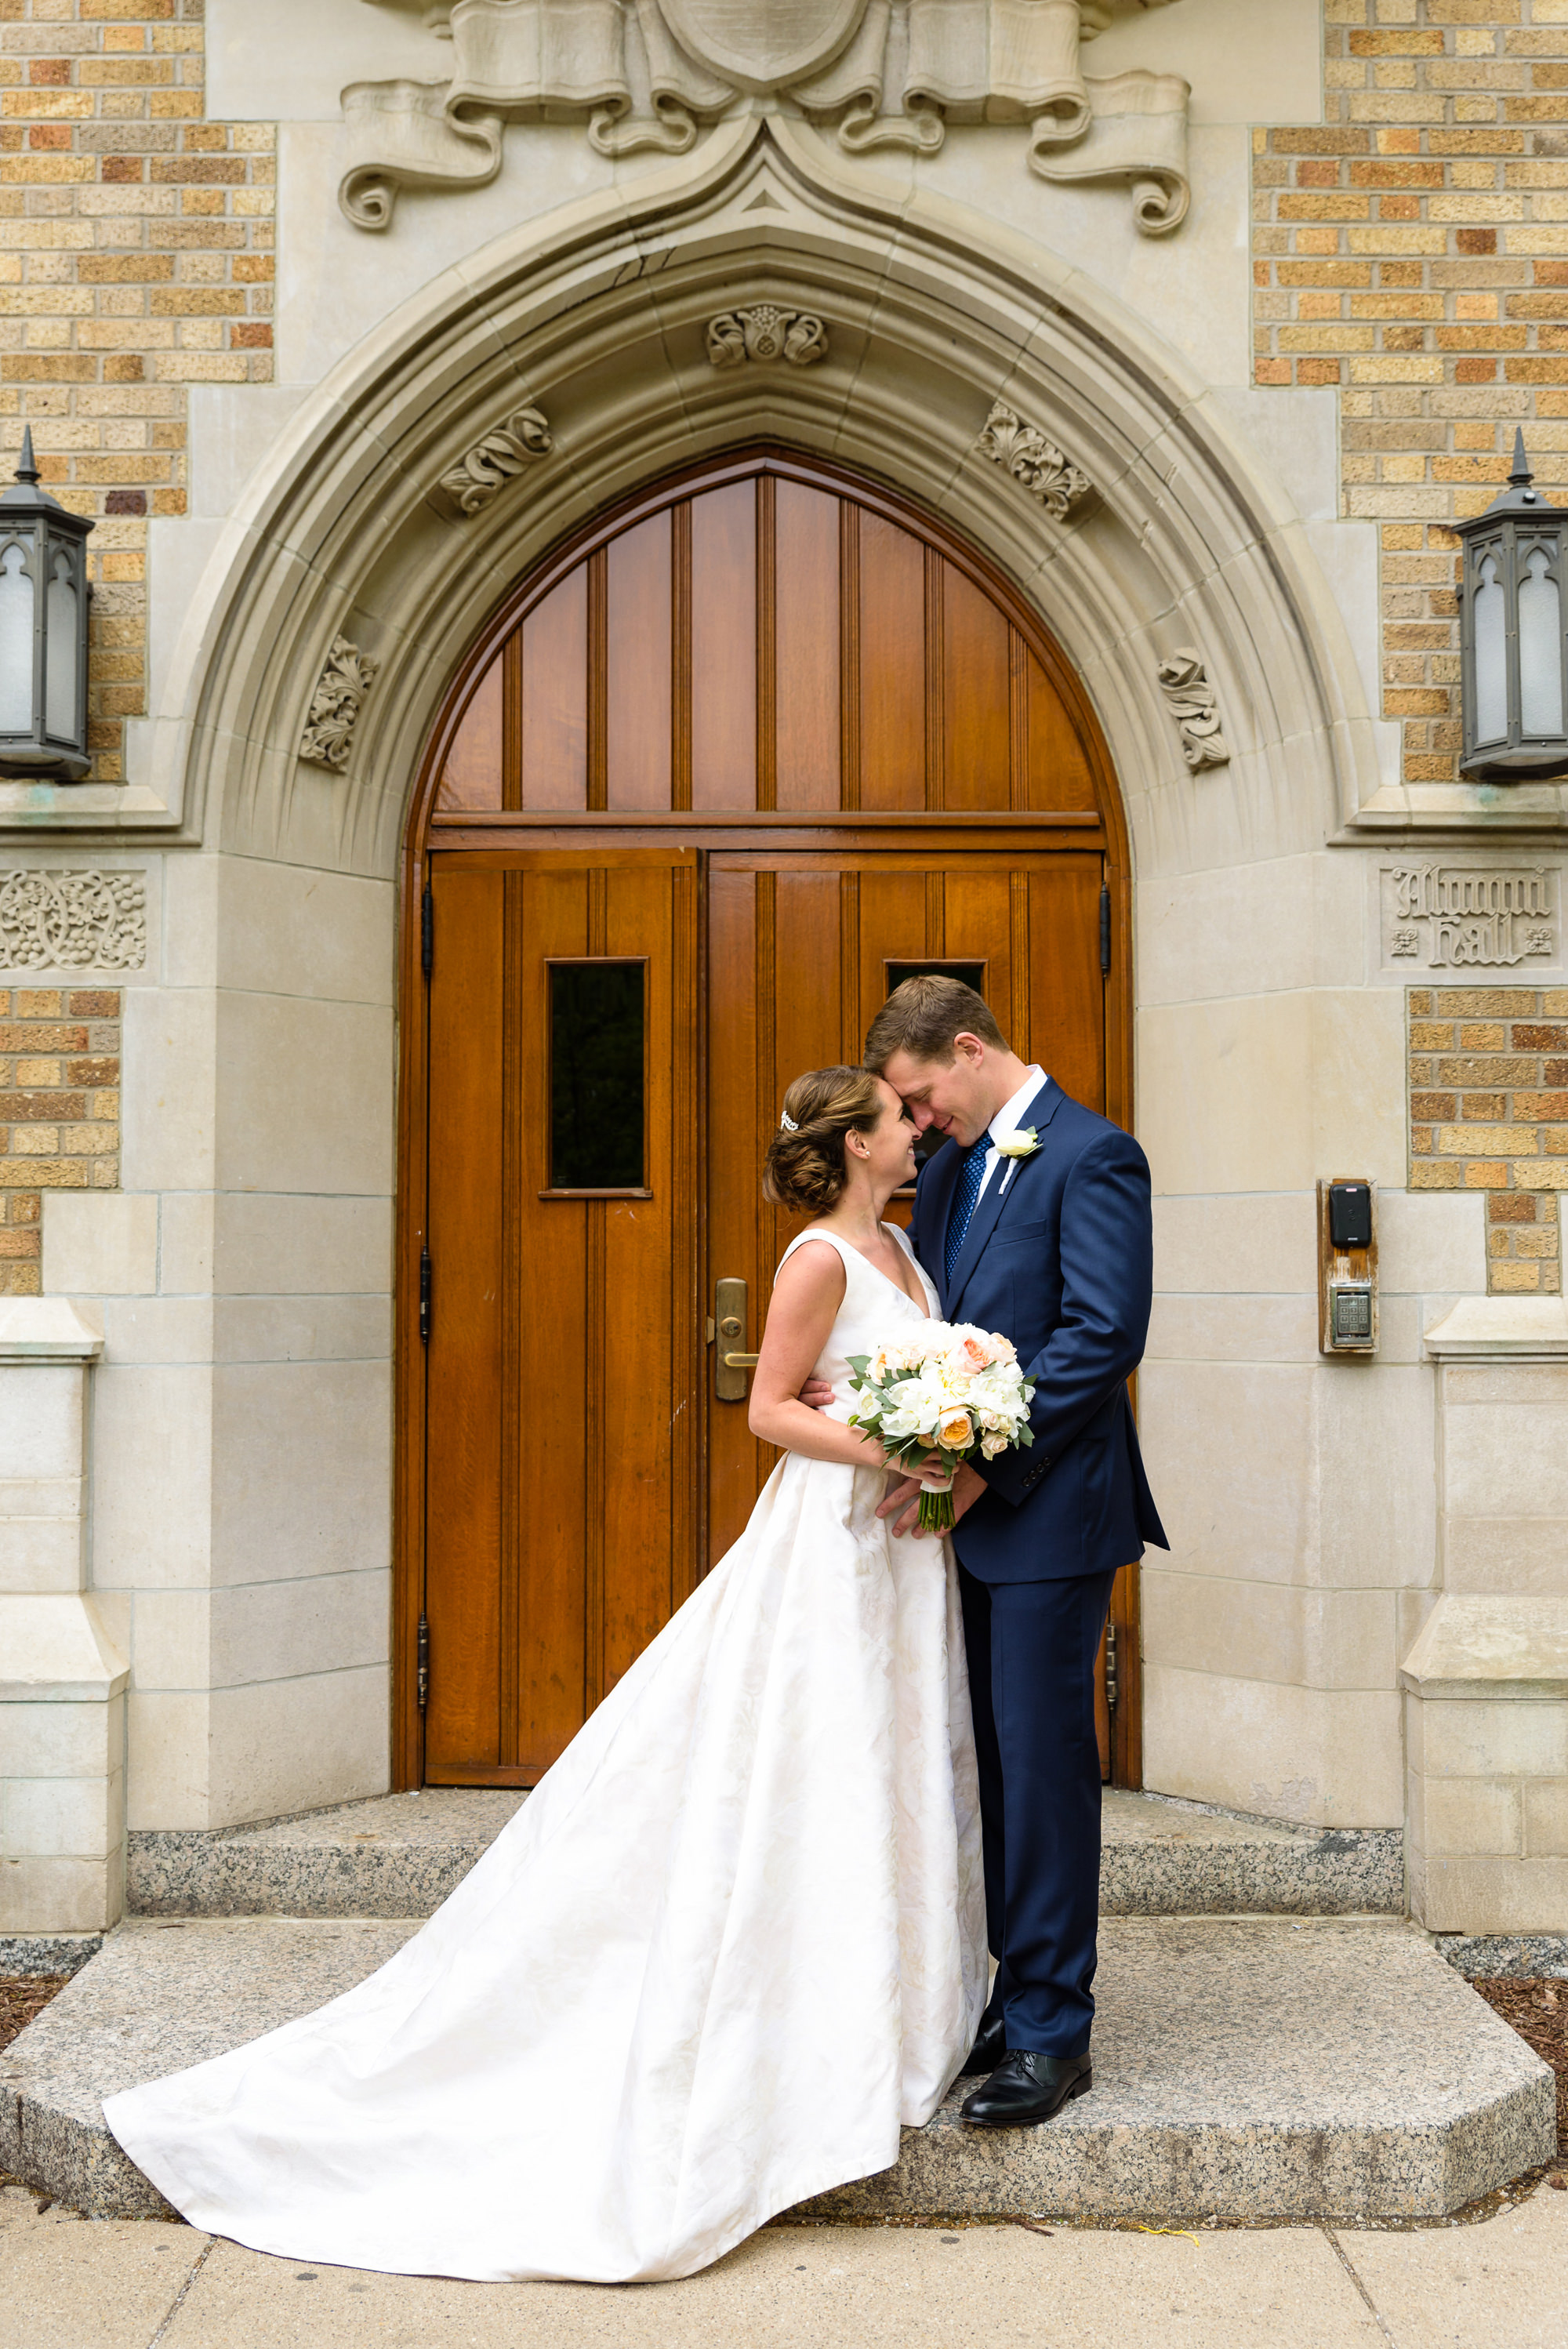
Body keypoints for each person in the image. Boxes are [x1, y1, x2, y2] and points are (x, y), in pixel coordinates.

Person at [104, 1066, 985, 2285]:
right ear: (851, 1146)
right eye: (898, 1120)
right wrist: (905, 1446)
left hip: (898, 1554)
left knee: (891, 1757)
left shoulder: (903, 1249)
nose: (916, 1130)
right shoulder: (816, 1264)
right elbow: (771, 1411)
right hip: (828, 1548)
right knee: (815, 1760)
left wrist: (947, 1445)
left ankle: (889, 2013)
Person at [852, 974, 1167, 2126]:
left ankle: (1051, 2026)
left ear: (972, 1050)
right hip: (963, 1518)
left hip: (1048, 1513)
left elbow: (1103, 1334)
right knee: (984, 1762)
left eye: (925, 1097)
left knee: (1041, 1768)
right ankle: (1002, 1986)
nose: (921, 1122)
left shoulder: (1093, 1156)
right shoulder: (947, 1173)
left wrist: (984, 1457)